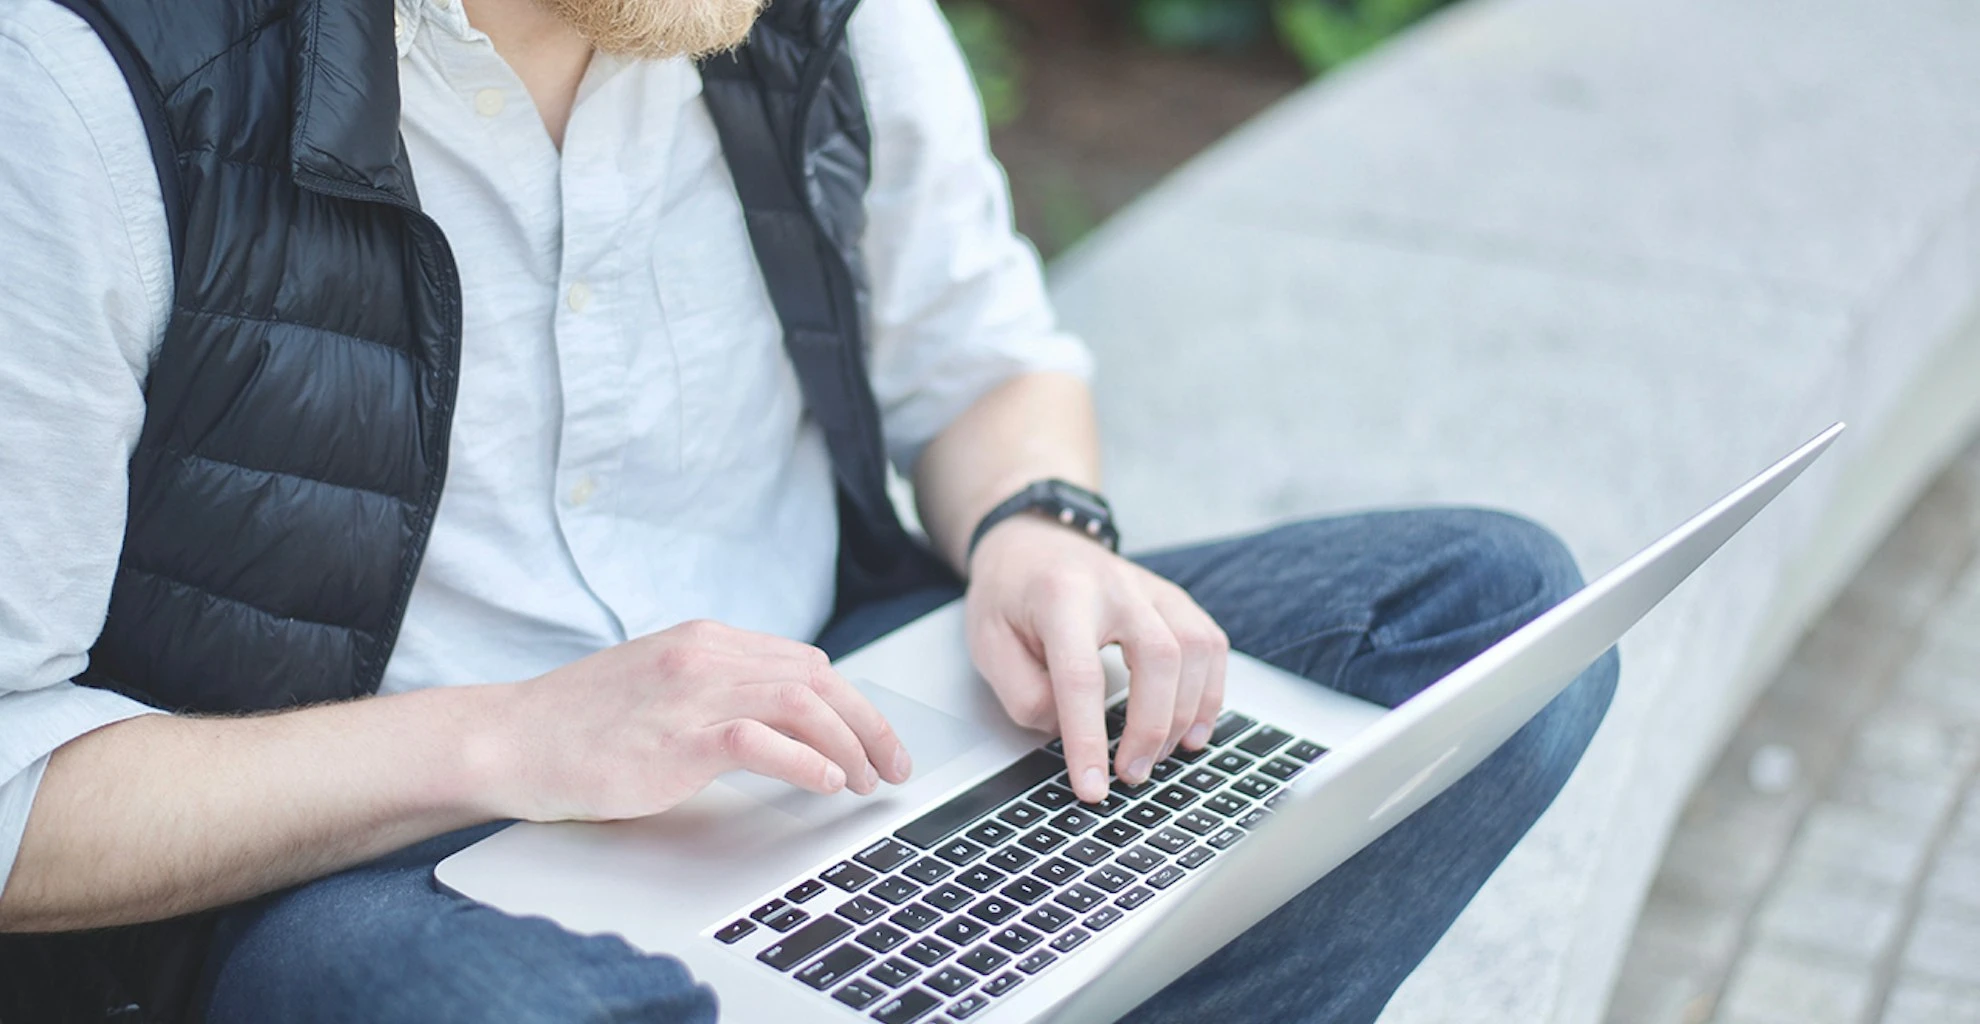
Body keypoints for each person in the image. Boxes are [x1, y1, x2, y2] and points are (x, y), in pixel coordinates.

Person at [0, 0, 1618, 1018]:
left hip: (851, 719)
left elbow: (985, 360)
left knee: (1495, 623)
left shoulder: (791, 11)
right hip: (391, 852)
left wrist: (1041, 528)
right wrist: (509, 740)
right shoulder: (84, 91)